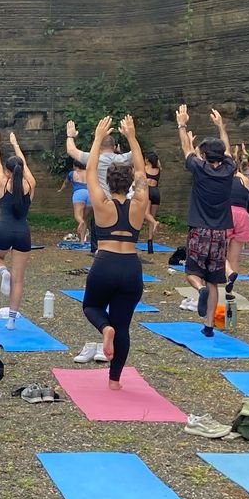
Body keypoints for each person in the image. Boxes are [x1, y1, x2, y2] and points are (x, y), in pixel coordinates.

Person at [79, 116, 149, 387]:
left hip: (105, 262)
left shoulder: (101, 202)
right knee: (124, 326)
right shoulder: (140, 202)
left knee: (91, 305)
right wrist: (131, 137)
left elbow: (90, 170)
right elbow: (142, 171)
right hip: (131, 266)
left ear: (108, 182)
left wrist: (97, 138)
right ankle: (115, 381)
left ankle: (104, 329)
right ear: (129, 183)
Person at [176, 104, 236, 335]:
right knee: (214, 279)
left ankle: (198, 289)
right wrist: (221, 126)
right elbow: (228, 150)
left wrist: (182, 124)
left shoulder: (200, 168)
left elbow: (185, 148)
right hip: (220, 233)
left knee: (193, 273)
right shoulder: (229, 169)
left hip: (200, 230)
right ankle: (209, 325)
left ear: (204, 155)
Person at [0, 131, 35, 326]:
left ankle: (2, 272)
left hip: (3, 230)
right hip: (23, 233)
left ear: (8, 172)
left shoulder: (2, 182)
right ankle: (11, 321)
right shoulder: (31, 185)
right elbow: (22, 166)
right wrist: (16, 144)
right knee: (18, 280)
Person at [226, 153, 249, 287]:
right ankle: (230, 289)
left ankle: (228, 273)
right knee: (234, 257)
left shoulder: (224, 179)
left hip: (227, 213)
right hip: (243, 215)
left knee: (217, 251)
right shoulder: (244, 180)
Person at [62, 120, 91, 244]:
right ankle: (83, 239)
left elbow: (66, 183)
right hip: (90, 194)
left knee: (78, 216)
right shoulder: (89, 172)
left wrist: (61, 189)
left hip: (78, 194)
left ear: (75, 165)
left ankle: (81, 226)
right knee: (86, 217)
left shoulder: (72, 174)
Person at [141, 151, 162, 250]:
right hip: (156, 192)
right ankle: (150, 243)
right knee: (151, 216)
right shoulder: (158, 169)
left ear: (147, 160)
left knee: (145, 214)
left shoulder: (144, 168)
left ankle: (154, 222)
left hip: (147, 191)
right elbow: (159, 164)